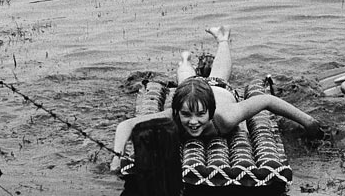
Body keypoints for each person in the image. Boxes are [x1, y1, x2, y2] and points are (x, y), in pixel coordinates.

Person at [111, 26, 322, 171]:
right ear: (176, 112)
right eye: (186, 115)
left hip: (219, 90)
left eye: (200, 115)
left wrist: (308, 122)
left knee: (219, 75)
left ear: (210, 113)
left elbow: (267, 101)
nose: (193, 122)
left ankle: (222, 38)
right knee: (185, 78)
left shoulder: (226, 117)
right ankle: (185, 58)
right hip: (192, 92)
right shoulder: (172, 118)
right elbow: (126, 126)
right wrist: (116, 156)